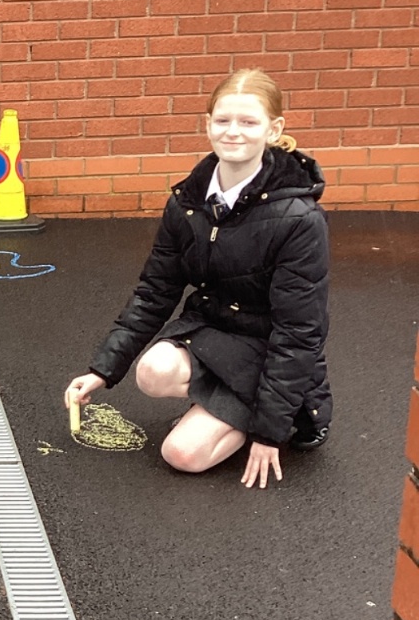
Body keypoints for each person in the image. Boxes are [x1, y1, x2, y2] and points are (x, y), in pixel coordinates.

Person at [64, 68, 331, 490]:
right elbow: (155, 291)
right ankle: (222, 406)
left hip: (266, 347)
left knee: (182, 455)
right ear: (207, 123)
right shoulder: (187, 203)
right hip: (213, 332)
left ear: (274, 129)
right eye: (223, 120)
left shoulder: (299, 218)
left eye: (249, 122)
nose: (233, 132)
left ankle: (280, 407)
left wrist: (269, 433)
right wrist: (103, 369)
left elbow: (299, 331)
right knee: (153, 372)